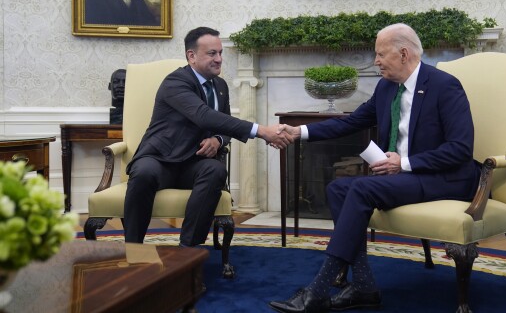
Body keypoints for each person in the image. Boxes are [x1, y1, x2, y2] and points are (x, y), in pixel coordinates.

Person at [269, 23, 480, 313]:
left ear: (403, 53)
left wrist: (403, 163)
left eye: (381, 54)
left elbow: (460, 149)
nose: (375, 61)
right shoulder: (386, 87)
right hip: (406, 177)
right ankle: (365, 288)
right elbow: (351, 122)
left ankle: (319, 289)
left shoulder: (444, 86)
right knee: (338, 188)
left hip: (443, 178)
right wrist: (298, 132)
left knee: (360, 187)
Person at [124, 26, 293, 247]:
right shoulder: (175, 82)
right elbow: (203, 116)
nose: (219, 59)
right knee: (144, 172)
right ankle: (134, 250)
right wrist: (262, 131)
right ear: (191, 56)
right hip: (160, 158)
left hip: (193, 162)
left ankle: (188, 250)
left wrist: (218, 140)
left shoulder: (220, 86)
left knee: (215, 170)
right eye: (212, 53)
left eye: (220, 53)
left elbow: (222, 123)